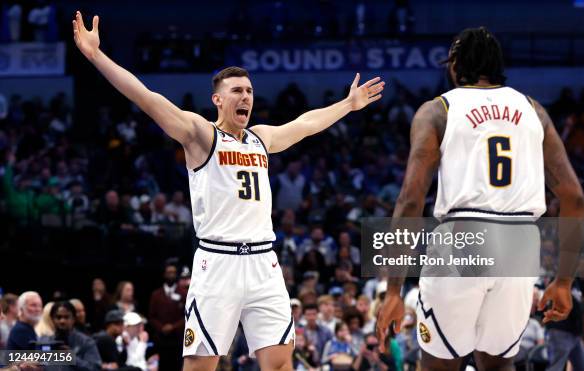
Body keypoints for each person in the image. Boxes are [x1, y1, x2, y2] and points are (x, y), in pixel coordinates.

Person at [72, 10, 384, 371]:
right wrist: (96, 55)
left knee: (281, 364)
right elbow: (146, 97)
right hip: (218, 262)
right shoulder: (201, 134)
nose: (245, 97)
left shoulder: (261, 138)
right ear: (217, 100)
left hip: (264, 262)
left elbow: (305, 124)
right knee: (201, 367)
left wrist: (347, 104)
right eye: (236, 91)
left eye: (249, 91)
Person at [376, 27, 584, 370]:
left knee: (438, 365)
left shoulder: (437, 110)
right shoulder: (533, 110)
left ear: (455, 65)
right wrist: (564, 281)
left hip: (463, 236)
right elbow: (574, 198)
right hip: (519, 243)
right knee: (499, 365)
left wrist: (395, 291)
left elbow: (411, 202)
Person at [40, 301, 102, 370]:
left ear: (73, 319)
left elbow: (95, 368)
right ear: (52, 319)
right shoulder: (43, 342)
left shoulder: (86, 342)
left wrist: (72, 359)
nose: (62, 321)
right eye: (58, 317)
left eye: (66, 317)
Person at [149, 260, 184, 371]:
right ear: (164, 274)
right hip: (161, 339)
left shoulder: (184, 293)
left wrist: (173, 327)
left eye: (173, 272)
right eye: (169, 272)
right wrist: (162, 327)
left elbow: (187, 316)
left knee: (178, 366)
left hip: (178, 339)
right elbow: (152, 316)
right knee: (163, 366)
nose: (171, 275)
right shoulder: (156, 295)